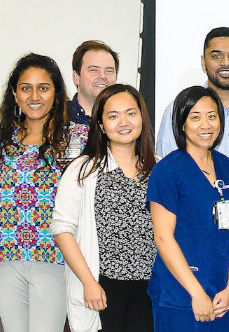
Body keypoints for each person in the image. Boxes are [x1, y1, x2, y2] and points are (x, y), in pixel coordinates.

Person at [0, 53, 89, 332]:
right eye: (26, 88)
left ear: (56, 92)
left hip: (54, 260)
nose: (34, 96)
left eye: (44, 87)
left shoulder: (78, 140)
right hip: (6, 262)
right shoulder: (0, 143)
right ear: (15, 94)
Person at [51, 84, 157, 332]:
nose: (124, 122)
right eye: (113, 115)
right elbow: (61, 229)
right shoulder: (83, 170)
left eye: (131, 113)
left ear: (142, 118)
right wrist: (89, 283)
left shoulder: (159, 169)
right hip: (103, 289)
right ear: (100, 125)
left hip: (151, 290)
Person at [147, 86, 229, 331]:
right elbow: (163, 238)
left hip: (223, 297)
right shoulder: (167, 170)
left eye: (212, 116)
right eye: (195, 117)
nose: (205, 124)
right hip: (181, 297)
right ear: (181, 123)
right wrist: (197, 294)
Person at [157, 27, 229, 167]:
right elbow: (166, 164)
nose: (226, 63)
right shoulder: (176, 109)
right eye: (216, 56)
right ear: (203, 62)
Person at [69, 40, 119, 126]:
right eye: (94, 70)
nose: (103, 76)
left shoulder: (124, 123)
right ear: (76, 77)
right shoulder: (56, 120)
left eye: (109, 71)